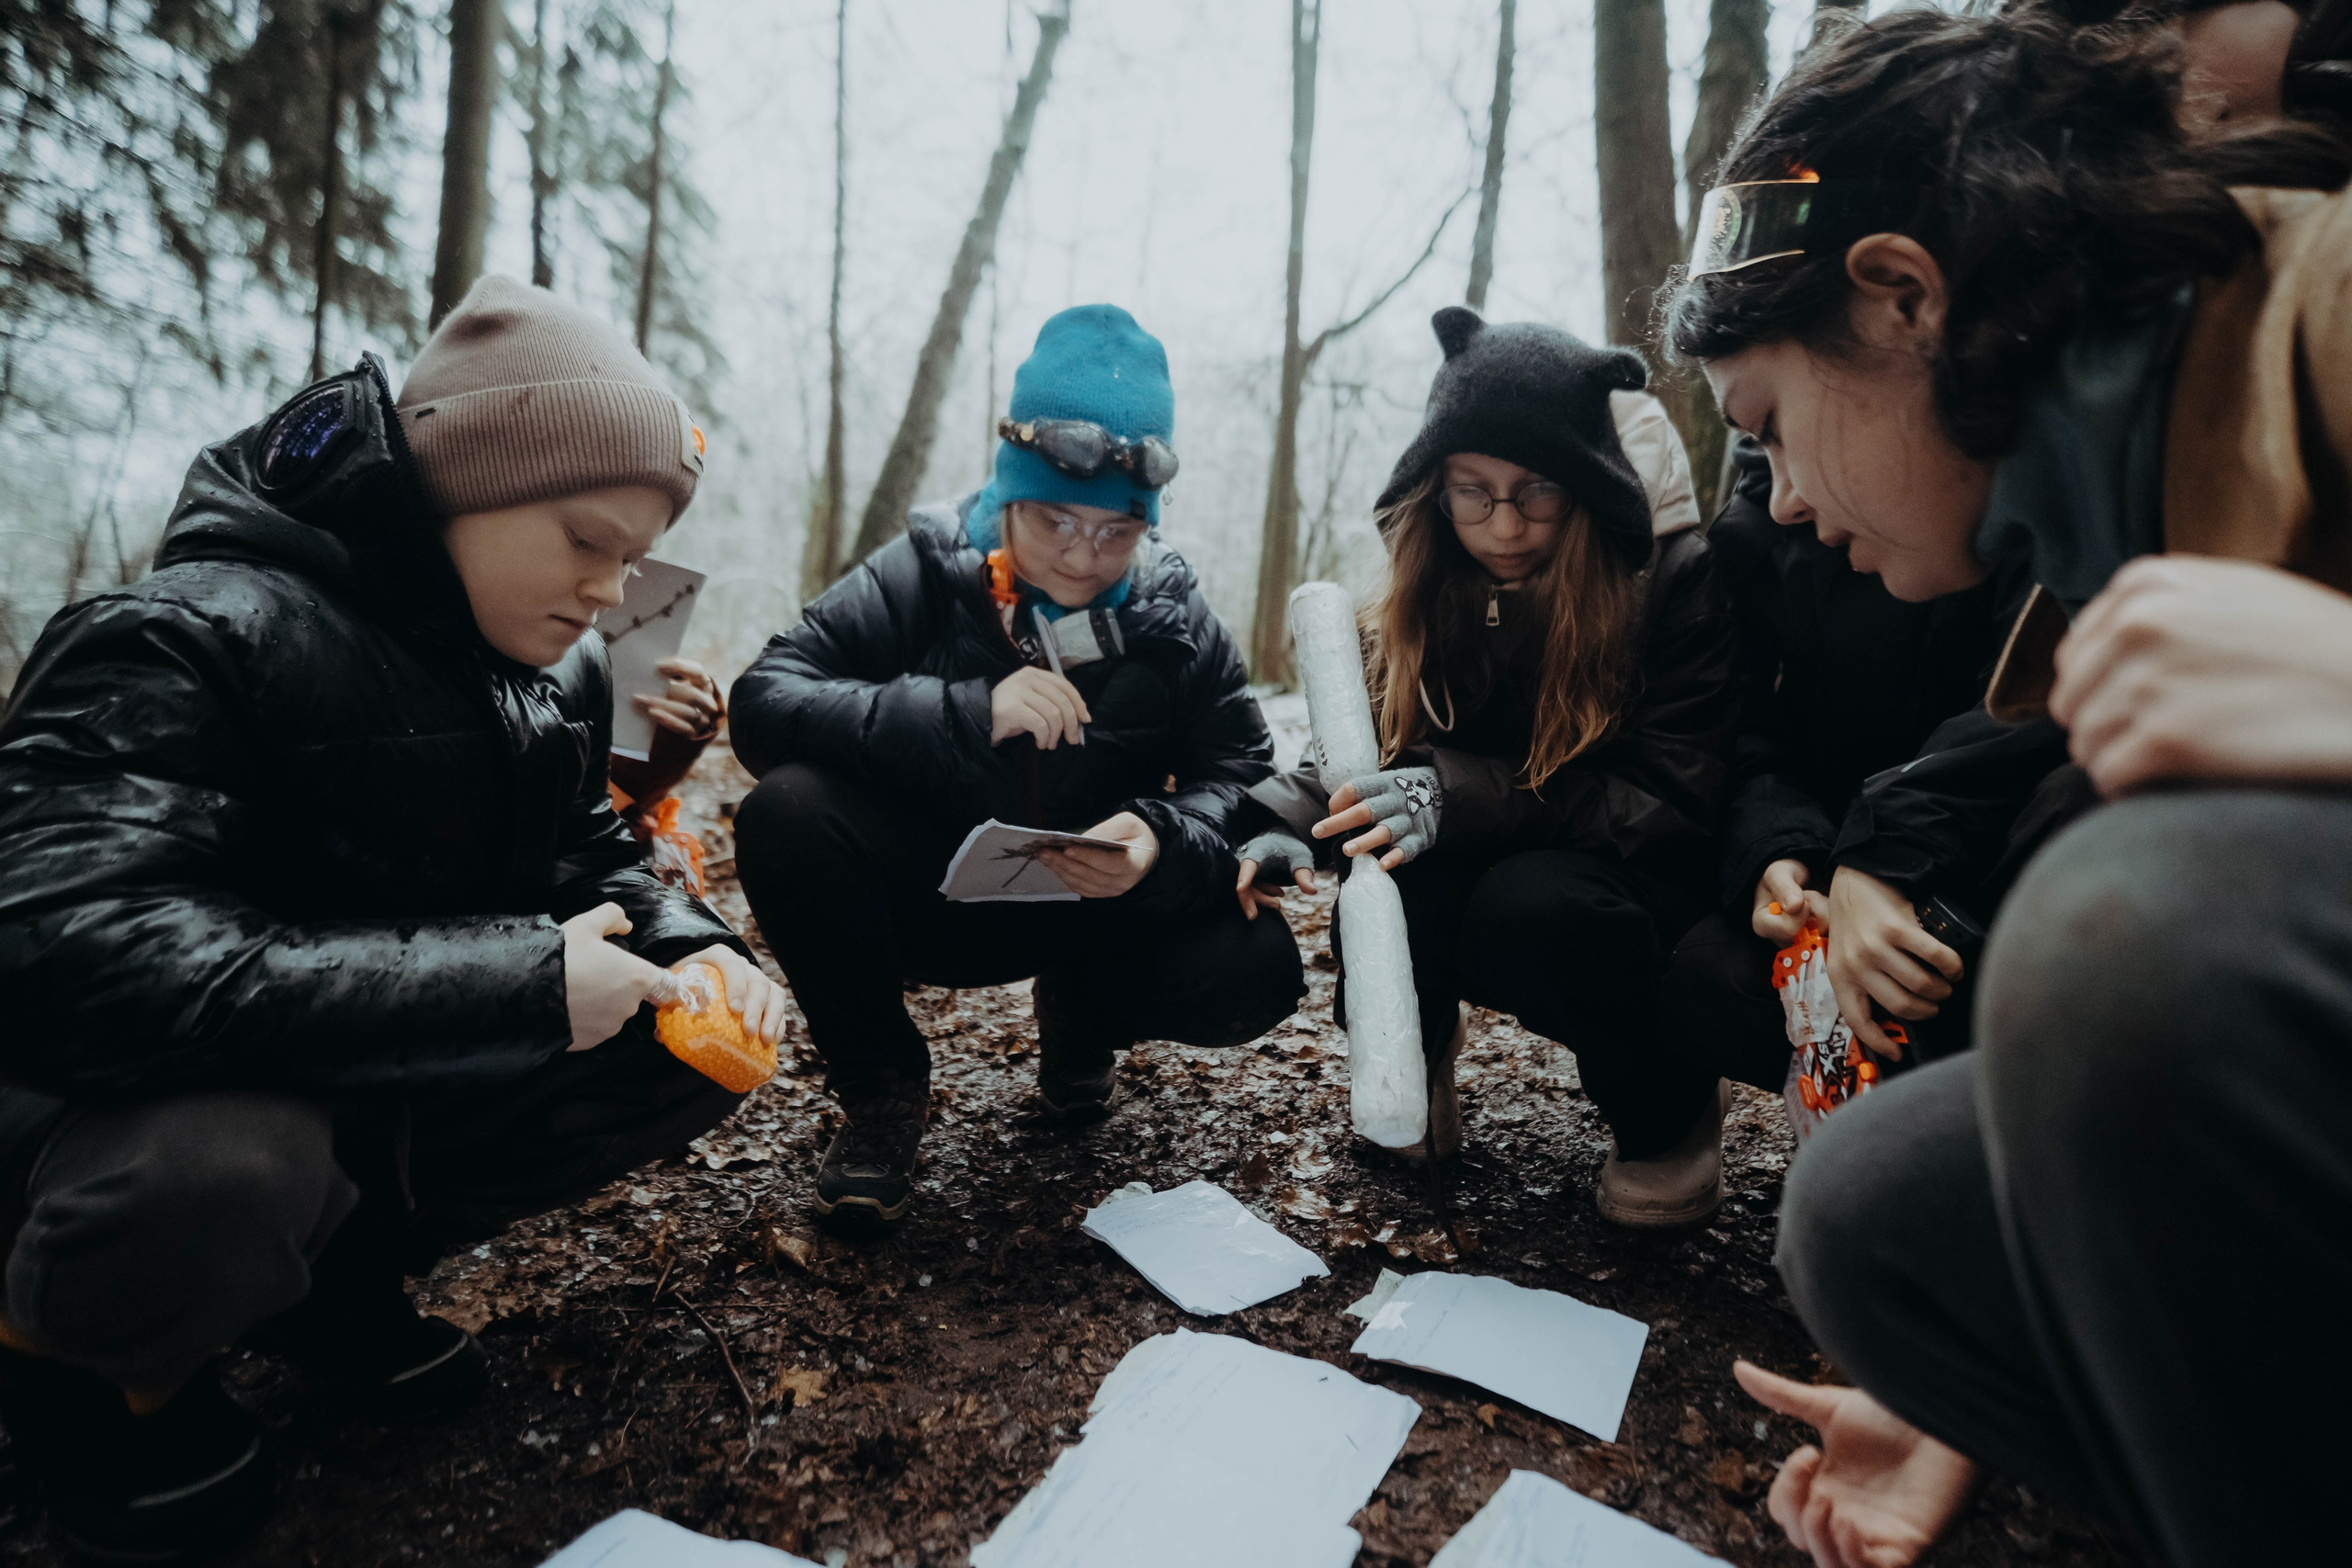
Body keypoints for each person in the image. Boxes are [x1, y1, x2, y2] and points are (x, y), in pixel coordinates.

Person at [1663, 8, 2352, 1562]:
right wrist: (1965, 1401)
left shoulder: (2328, 291)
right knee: (1878, 1214)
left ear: (1902, 296)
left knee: (2127, 933)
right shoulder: (2093, 534)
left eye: (1770, 427)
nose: (1774, 495)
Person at [0, 275, 787, 1562]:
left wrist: (691, 939)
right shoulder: (179, 636)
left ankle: (322, 1291)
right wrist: (519, 980)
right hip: (105, 1112)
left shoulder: (551, 670)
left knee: (676, 1033)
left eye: (632, 561)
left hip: (337, 1074)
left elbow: (583, 844)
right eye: (585, 539)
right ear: (456, 482)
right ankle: (81, 1372)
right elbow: (63, 958)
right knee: (233, 1156)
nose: (608, 591)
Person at [728, 304, 1302, 1237]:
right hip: (935, 896)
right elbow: (763, 699)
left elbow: (1240, 771)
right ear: (1006, 495)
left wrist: (1158, 840)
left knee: (1258, 965)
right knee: (784, 811)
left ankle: (1083, 1021)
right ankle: (881, 1089)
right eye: (1052, 521)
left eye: (1115, 531)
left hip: (1093, 904)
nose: (1081, 556)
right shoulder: (921, 572)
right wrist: (962, 712)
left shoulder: (1175, 616)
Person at [1233, 307, 1739, 1225]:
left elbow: (1670, 798)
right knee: (1386, 863)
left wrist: (1456, 796)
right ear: (1435, 489)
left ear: (1583, 486)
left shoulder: (1671, 583)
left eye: (1536, 491)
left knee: (1541, 905)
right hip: (1471, 839)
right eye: (1472, 491)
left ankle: (1666, 1116)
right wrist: (1278, 825)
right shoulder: (1423, 584)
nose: (1502, 523)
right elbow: (1358, 748)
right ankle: (1407, 1054)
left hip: (1623, 873)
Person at [1659, 436, 2064, 1093]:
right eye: (1761, 441)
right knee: (1708, 971)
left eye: (1786, 430)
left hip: (1982, 851)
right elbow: (1747, 729)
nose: (1789, 500)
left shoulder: (2046, 498)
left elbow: (2041, 708)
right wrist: (1779, 852)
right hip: (1840, 840)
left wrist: (1882, 854)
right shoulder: (1752, 530)